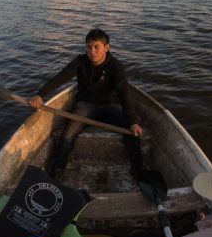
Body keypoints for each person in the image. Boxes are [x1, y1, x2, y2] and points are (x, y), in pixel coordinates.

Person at [28, 28, 143, 179]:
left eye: (97, 47)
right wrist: (40, 94)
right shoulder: (80, 62)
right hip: (85, 105)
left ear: (107, 48)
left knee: (132, 129)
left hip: (109, 107)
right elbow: (61, 77)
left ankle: (138, 170)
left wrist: (133, 121)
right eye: (89, 47)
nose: (92, 51)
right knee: (68, 134)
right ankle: (57, 171)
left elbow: (123, 92)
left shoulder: (115, 66)